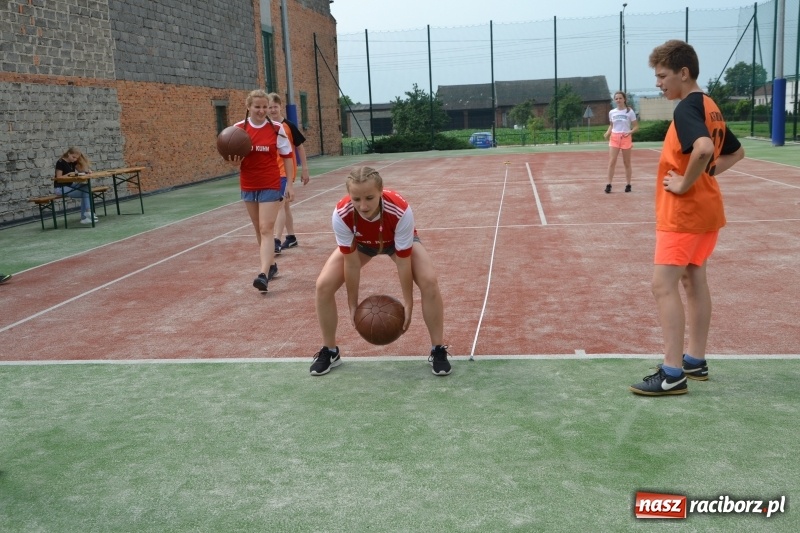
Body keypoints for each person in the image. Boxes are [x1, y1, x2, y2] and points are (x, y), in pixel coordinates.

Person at [630, 40, 744, 396]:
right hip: (707, 213)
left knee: (662, 286)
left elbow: (706, 149)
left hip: (683, 216)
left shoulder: (686, 109)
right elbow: (735, 153)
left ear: (683, 72)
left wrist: (683, 184)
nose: (658, 83)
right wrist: (703, 177)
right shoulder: (710, 106)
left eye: (662, 76)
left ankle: (671, 373)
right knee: (694, 283)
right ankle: (694, 360)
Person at [311, 166, 451, 377]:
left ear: (381, 192)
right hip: (362, 245)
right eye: (356, 199)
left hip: (395, 243)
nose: (363, 205)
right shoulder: (341, 214)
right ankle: (330, 351)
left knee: (429, 281)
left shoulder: (400, 209)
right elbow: (351, 263)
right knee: (323, 286)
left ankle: (438, 349)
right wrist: (352, 304)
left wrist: (408, 303)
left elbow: (403, 263)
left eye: (369, 197)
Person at [224, 89, 295, 293]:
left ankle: (263, 274)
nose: (262, 110)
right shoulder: (238, 129)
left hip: (271, 184)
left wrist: (289, 185)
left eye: (264, 107)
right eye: (257, 107)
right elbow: (230, 159)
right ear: (249, 107)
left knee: (266, 229)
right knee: (258, 229)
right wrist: (233, 162)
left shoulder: (276, 128)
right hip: (248, 184)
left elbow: (288, 156)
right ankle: (271, 265)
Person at [265, 93, 310, 255]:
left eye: (275, 107)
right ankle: (291, 237)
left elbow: (300, 147)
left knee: (280, 204)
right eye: (269, 107)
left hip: (286, 170)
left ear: (280, 107)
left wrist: (305, 169)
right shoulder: (266, 125)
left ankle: (276, 240)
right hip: (272, 170)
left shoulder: (288, 125)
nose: (272, 110)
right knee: (285, 206)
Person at [603, 91, 639, 193]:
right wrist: (607, 133)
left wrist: (630, 132)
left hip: (625, 137)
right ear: (614, 100)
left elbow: (636, 126)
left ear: (624, 99)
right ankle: (609, 184)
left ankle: (628, 184)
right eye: (616, 98)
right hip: (614, 137)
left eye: (620, 98)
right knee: (612, 161)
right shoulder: (612, 112)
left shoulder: (629, 112)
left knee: (626, 162)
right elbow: (611, 125)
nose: (618, 100)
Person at [54, 147, 96, 224]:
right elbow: (58, 178)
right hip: (60, 188)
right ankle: (87, 214)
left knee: (86, 187)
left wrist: (87, 171)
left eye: (76, 158)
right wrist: (69, 174)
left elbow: (81, 171)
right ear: (68, 153)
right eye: (73, 157)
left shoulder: (73, 162)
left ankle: (87, 215)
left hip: (70, 185)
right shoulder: (60, 162)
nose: (75, 159)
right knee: (85, 192)